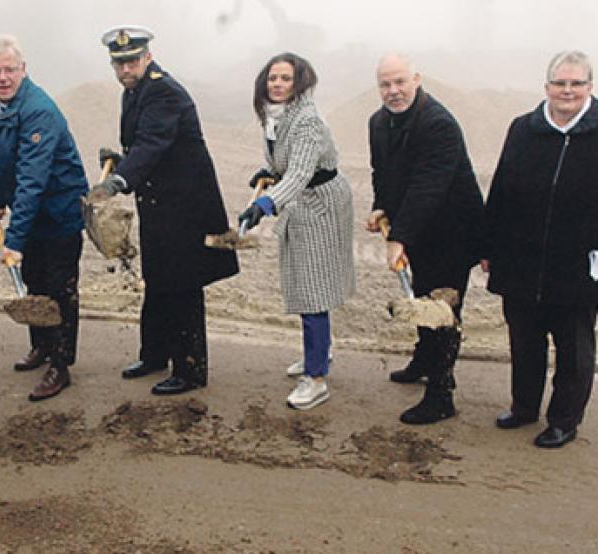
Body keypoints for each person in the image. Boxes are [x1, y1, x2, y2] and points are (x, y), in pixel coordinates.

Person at [482, 51, 598, 448]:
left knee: (573, 347)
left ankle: (563, 420)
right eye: (560, 83)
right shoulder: (523, 128)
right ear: (547, 87)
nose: (567, 91)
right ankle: (523, 407)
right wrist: (488, 245)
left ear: (590, 87)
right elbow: (501, 191)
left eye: (576, 83)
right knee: (524, 340)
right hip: (521, 259)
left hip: (578, 263)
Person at [89, 25, 239, 395]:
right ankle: (155, 354)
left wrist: (118, 180)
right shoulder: (136, 90)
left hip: (186, 208)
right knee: (158, 282)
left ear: (148, 57)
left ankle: (190, 370)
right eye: (119, 63)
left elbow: (153, 145)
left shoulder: (164, 92)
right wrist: (121, 162)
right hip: (160, 204)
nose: (125, 69)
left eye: (132, 61)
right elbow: (150, 148)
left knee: (183, 286)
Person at [365, 53, 484, 424]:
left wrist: (398, 238)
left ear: (416, 79)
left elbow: (428, 186)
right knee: (418, 294)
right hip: (419, 229)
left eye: (400, 82)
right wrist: (381, 207)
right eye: (385, 84)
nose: (393, 91)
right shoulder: (378, 122)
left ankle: (441, 393)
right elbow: (382, 172)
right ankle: (422, 360)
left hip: (454, 230)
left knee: (442, 308)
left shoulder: (439, 124)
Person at [0, 34, 88, 401]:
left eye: (10, 69)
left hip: (59, 212)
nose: (3, 77)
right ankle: (40, 346)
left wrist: (13, 241)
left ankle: (61, 364)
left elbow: (32, 180)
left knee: (59, 290)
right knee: (33, 283)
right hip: (30, 212)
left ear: (24, 70)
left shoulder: (40, 110)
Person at [239, 53, 355, 410]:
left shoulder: (306, 120)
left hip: (320, 204)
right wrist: (267, 172)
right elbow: (286, 164)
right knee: (309, 284)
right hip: (301, 199)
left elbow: (302, 173)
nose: (277, 84)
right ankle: (318, 352)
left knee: (312, 289)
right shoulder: (276, 115)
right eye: (272, 78)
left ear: (300, 82)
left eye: (285, 78)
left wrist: (265, 204)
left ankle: (316, 378)